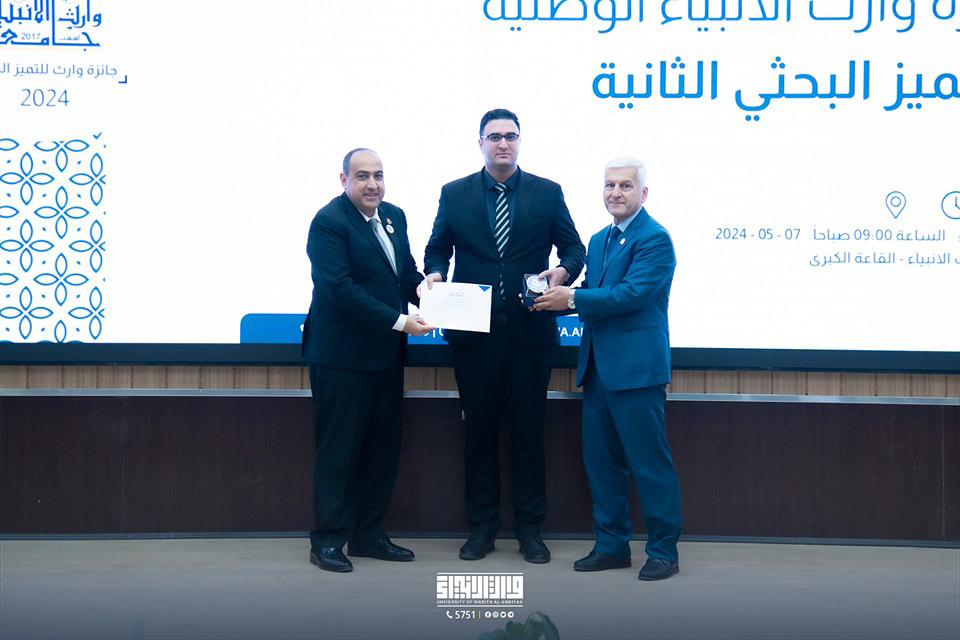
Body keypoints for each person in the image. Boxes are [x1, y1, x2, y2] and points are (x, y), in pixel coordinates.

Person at [421, 108, 585, 564]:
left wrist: (564, 271)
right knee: (480, 434)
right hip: (474, 335)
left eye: (511, 136)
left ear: (519, 142)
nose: (503, 144)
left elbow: (574, 247)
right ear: (480, 143)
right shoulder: (454, 193)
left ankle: (530, 530)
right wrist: (435, 272)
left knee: (529, 435)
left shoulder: (546, 192)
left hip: (530, 333)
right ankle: (482, 528)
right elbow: (438, 247)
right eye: (494, 137)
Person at [532, 156, 683, 581]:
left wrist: (572, 299)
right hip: (597, 369)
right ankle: (611, 545)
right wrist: (554, 293)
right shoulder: (599, 239)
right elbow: (594, 292)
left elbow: (631, 294)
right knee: (602, 463)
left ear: (643, 193)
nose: (615, 192)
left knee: (649, 465)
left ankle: (663, 551)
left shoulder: (655, 238)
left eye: (625, 186)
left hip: (636, 371)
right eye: (609, 185)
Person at [302, 148, 435, 573]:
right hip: (341, 358)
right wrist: (400, 321)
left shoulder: (393, 216)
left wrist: (428, 289)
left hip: (385, 357)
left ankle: (367, 534)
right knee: (339, 451)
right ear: (344, 180)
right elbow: (340, 288)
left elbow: (404, 274)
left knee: (382, 449)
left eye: (378, 175)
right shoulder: (328, 222)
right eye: (362, 176)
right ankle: (327, 541)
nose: (373, 184)